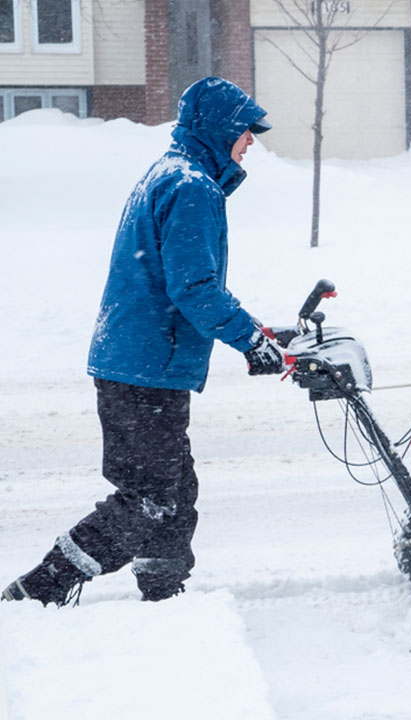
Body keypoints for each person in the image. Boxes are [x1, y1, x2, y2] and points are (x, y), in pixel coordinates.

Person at [2, 77, 286, 606]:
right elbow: (194, 286)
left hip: (138, 359)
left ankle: (162, 594)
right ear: (220, 129)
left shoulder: (172, 174)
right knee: (150, 499)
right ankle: (33, 593)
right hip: (146, 366)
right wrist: (249, 339)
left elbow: (183, 280)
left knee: (175, 490)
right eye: (246, 132)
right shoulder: (192, 187)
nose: (252, 143)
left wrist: (253, 331)